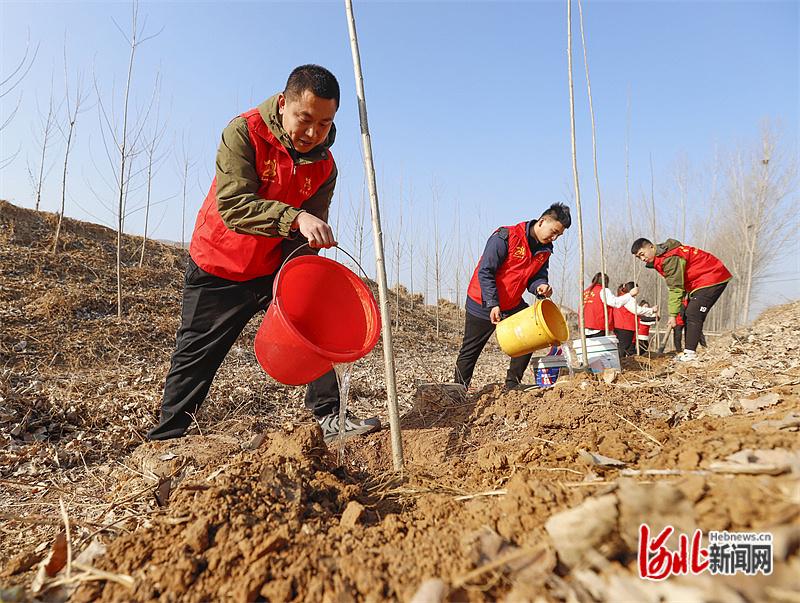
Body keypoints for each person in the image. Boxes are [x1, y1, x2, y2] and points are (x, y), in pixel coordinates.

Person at [148, 65, 379, 443]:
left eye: (324, 124)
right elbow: (235, 206)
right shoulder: (244, 133)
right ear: (284, 102)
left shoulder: (324, 165)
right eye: (304, 119)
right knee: (196, 355)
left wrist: (307, 273)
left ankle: (330, 417)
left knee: (314, 322)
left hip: (273, 263)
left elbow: (309, 229)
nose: (312, 133)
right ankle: (167, 438)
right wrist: (297, 217)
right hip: (220, 263)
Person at [453, 203, 571, 390]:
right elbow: (486, 271)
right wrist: (493, 303)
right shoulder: (505, 237)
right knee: (471, 351)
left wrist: (540, 286)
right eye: (553, 231)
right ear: (542, 222)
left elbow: (536, 277)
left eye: (559, 235)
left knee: (533, 333)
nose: (554, 238)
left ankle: (512, 384)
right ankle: (458, 390)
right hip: (482, 301)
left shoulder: (545, 250)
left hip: (512, 303)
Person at [631, 238, 731, 362]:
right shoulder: (662, 258)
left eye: (642, 254)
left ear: (651, 247)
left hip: (712, 275)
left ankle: (690, 353)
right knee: (688, 313)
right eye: (638, 257)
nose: (642, 259)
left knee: (694, 312)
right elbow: (680, 283)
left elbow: (675, 287)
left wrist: (672, 315)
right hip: (698, 282)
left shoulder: (669, 258)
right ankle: (688, 351)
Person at [581, 272, 638, 338]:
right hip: (598, 326)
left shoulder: (585, 292)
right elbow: (615, 302)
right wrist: (630, 294)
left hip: (585, 327)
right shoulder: (602, 290)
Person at [611, 281, 658, 356]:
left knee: (625, 349)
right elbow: (637, 310)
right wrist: (651, 310)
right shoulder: (628, 299)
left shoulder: (620, 298)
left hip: (621, 327)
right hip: (626, 327)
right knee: (623, 350)